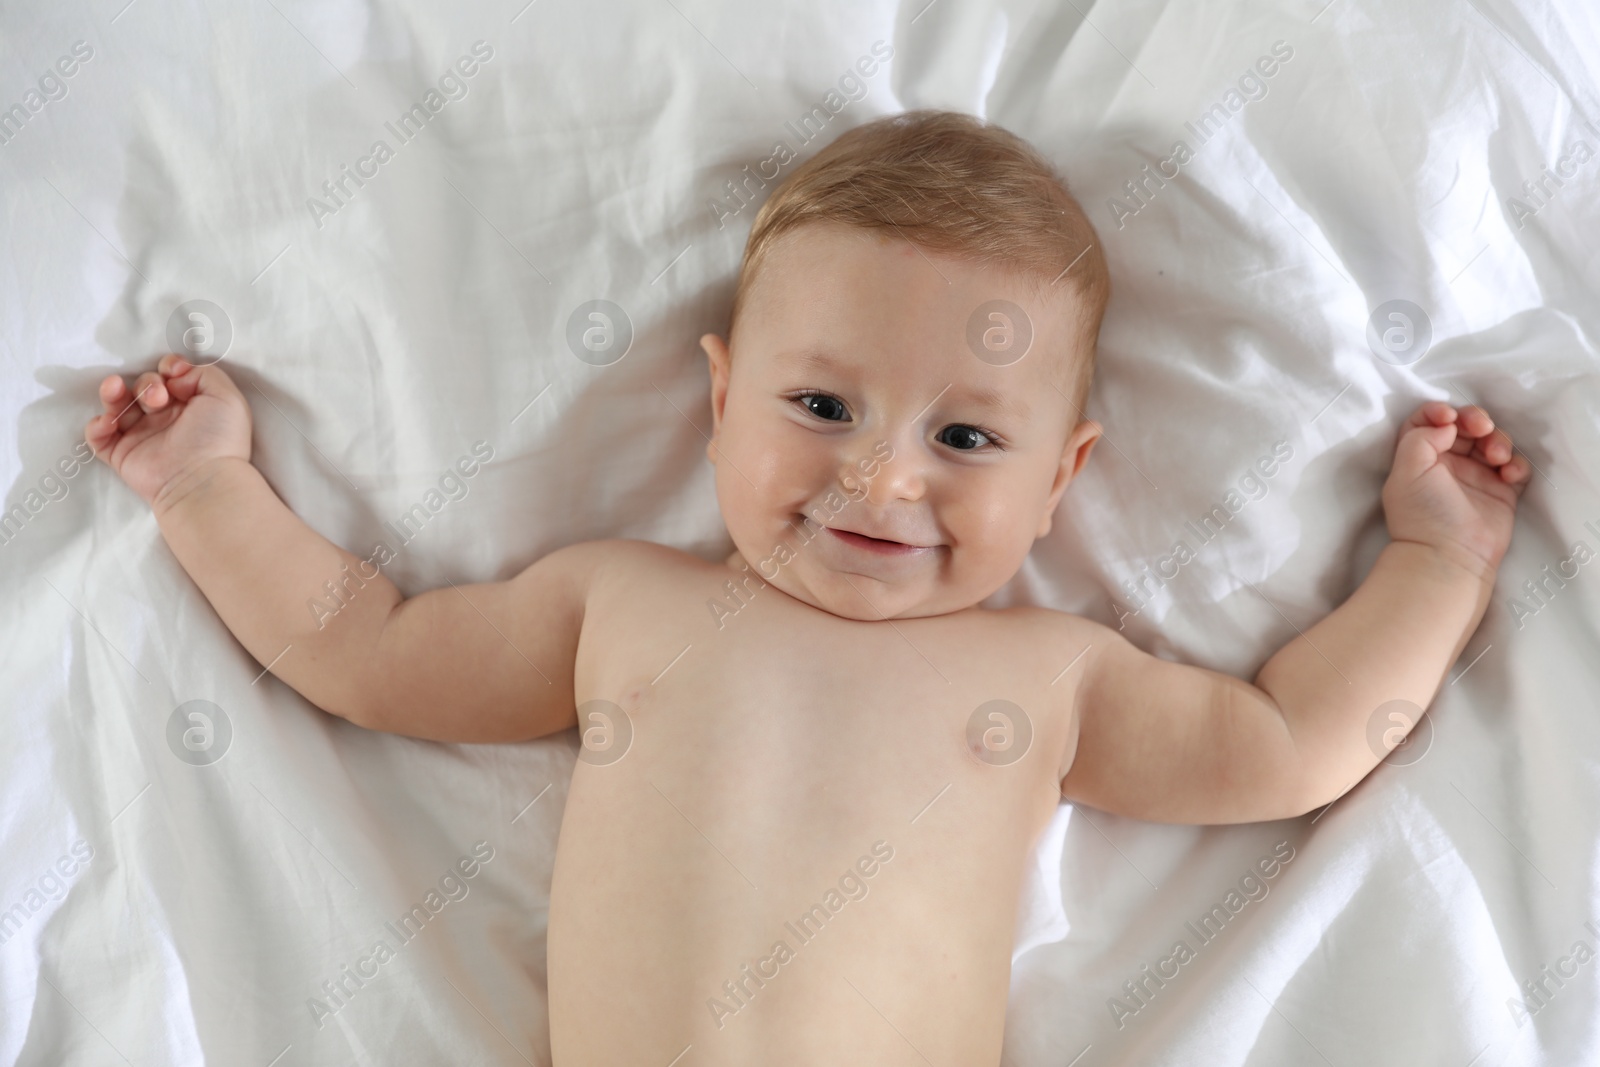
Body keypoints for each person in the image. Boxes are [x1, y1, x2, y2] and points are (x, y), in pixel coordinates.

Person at [84, 110, 1528, 1064]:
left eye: (965, 438)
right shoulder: (617, 604)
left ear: (1063, 478)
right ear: (720, 401)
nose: (881, 480)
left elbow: (1287, 746)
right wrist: (209, 489)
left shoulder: (1046, 676)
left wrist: (1435, 557)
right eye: (822, 407)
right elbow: (374, 651)